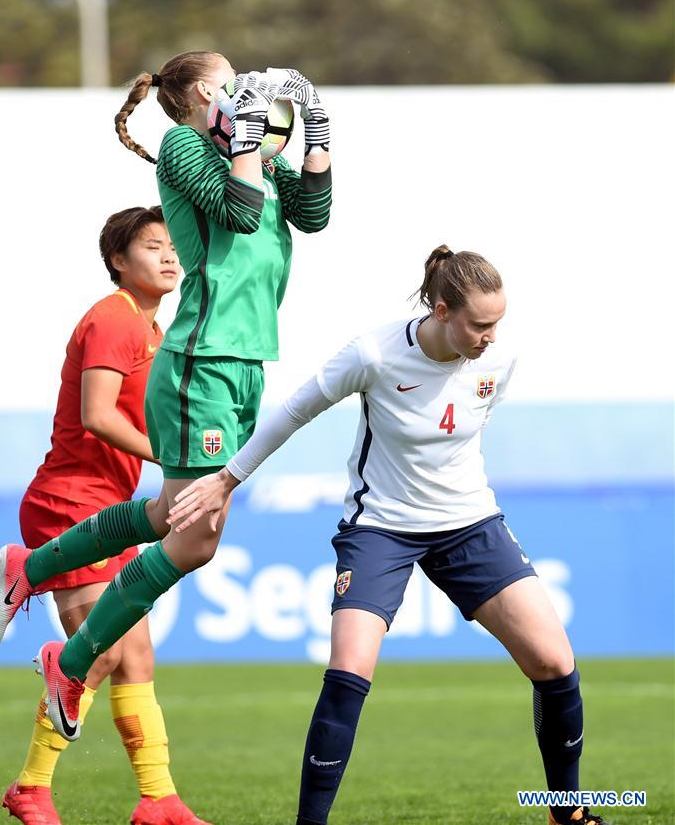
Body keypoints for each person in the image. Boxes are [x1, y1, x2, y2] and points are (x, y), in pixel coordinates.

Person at [166, 246, 610, 825]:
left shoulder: (500, 358)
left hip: (469, 523)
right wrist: (227, 479)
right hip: (382, 527)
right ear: (442, 310)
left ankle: (565, 812)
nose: (490, 337)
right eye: (479, 324)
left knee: (555, 662)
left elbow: (462, 432)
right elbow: (296, 410)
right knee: (349, 672)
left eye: (497, 322)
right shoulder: (375, 352)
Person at [0, 54, 332, 756]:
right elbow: (239, 210)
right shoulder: (183, 144)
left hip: (245, 363)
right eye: (233, 81)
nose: (246, 91)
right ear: (207, 92)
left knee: (171, 519)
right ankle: (72, 660)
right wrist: (247, 140)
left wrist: (316, 134)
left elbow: (314, 216)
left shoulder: (252, 151)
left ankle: (32, 567)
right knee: (193, 531)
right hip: (201, 359)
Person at [0, 206, 209, 825]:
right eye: (151, 246)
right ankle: (31, 787)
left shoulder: (155, 331)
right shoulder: (114, 319)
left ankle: (157, 799)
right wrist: (172, 456)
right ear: (119, 261)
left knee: (134, 657)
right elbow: (98, 415)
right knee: (105, 653)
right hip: (70, 503)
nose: (169, 256)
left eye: (173, 247)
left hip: (110, 507)